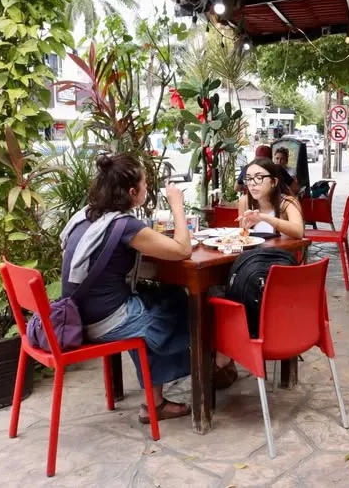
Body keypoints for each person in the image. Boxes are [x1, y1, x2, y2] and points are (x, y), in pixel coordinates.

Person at [60, 154, 193, 423]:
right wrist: (177, 206)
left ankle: (155, 400)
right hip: (101, 322)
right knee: (173, 309)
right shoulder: (125, 225)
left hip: (75, 315)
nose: (148, 188)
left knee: (163, 299)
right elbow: (182, 250)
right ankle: (166, 397)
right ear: (132, 192)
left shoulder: (87, 216)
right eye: (145, 184)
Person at [213, 158, 306, 385]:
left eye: (259, 178)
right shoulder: (245, 201)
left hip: (281, 273)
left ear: (274, 181)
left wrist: (264, 217)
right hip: (253, 267)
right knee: (214, 293)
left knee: (236, 295)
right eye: (248, 178)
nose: (252, 184)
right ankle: (225, 351)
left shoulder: (287, 203)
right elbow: (244, 236)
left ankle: (227, 354)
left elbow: (298, 231)